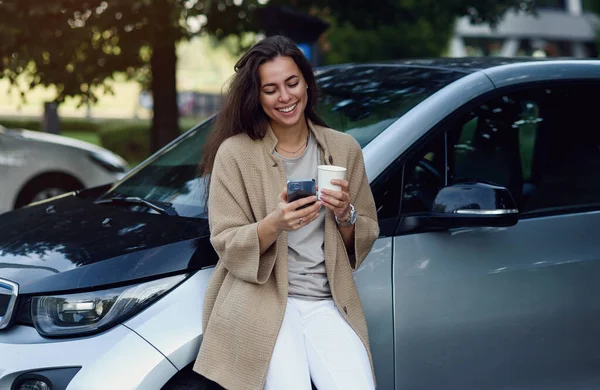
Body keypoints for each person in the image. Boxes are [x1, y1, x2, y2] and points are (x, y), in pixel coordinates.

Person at [193, 35, 379, 390]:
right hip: (266, 300)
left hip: (328, 300)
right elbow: (226, 242)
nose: (285, 96)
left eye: (292, 83)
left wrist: (345, 214)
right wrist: (274, 224)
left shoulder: (343, 149)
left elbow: (366, 231)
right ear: (257, 96)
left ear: (307, 82)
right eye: (271, 89)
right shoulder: (235, 153)